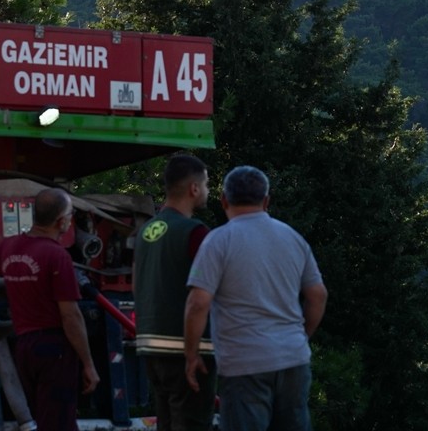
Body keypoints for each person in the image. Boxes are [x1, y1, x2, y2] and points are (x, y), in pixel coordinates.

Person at [183, 165, 328, 431]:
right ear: (266, 201)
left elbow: (198, 302)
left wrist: (191, 354)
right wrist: (301, 336)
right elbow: (318, 296)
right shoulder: (293, 238)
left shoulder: (217, 242)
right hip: (294, 359)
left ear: (224, 200)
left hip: (244, 364)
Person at [0, 187, 100, 430]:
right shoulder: (57, 256)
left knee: (44, 417)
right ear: (62, 221)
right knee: (58, 422)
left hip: (24, 348)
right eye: (70, 214)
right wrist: (88, 363)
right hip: (54, 349)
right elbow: (70, 316)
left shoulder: (9, 247)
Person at [132, 153, 216, 430]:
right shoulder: (194, 232)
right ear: (194, 188)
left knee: (166, 422)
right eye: (205, 184)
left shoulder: (145, 231)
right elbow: (202, 296)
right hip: (187, 350)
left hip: (150, 346)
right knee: (191, 422)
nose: (207, 191)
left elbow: (136, 284)